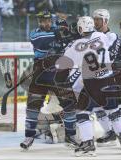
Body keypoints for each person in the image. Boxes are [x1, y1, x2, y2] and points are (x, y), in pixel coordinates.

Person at [56, 16, 121, 156]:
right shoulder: (101, 36)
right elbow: (110, 43)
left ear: (80, 28)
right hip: (109, 79)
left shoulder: (75, 45)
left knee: (82, 112)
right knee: (113, 110)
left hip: (92, 83)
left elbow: (61, 67)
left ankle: (88, 144)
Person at [20, 10, 78, 150]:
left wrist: (69, 29)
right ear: (39, 21)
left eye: (47, 20)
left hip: (60, 72)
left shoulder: (59, 30)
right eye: (42, 21)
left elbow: (76, 37)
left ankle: (71, 136)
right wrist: (62, 33)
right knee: (33, 105)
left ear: (51, 20)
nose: (45, 23)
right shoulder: (35, 34)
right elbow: (43, 40)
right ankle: (29, 136)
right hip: (41, 73)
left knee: (70, 105)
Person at [91, 9, 121, 147]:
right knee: (97, 108)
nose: (96, 22)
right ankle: (110, 132)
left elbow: (107, 55)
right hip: (92, 77)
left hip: (108, 77)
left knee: (113, 109)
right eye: (95, 19)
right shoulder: (91, 35)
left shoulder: (112, 36)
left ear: (106, 20)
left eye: (99, 19)